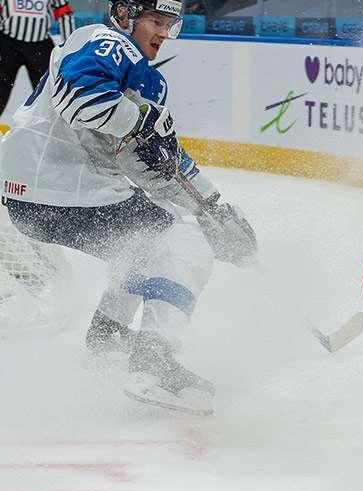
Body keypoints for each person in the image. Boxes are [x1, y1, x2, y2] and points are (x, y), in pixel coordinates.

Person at [0, 0, 257, 416]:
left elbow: (155, 163)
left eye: (169, 25)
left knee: (141, 243)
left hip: (40, 197)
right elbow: (81, 98)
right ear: (124, 15)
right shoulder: (103, 42)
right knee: (182, 244)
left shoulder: (146, 82)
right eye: (156, 21)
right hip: (58, 183)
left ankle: (108, 342)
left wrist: (213, 207)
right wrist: (139, 122)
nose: (162, 33)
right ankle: (152, 362)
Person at [0, 0, 75, 117]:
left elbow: (64, 12)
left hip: (39, 45)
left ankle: (51, 127)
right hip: (7, 44)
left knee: (49, 91)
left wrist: (71, 47)